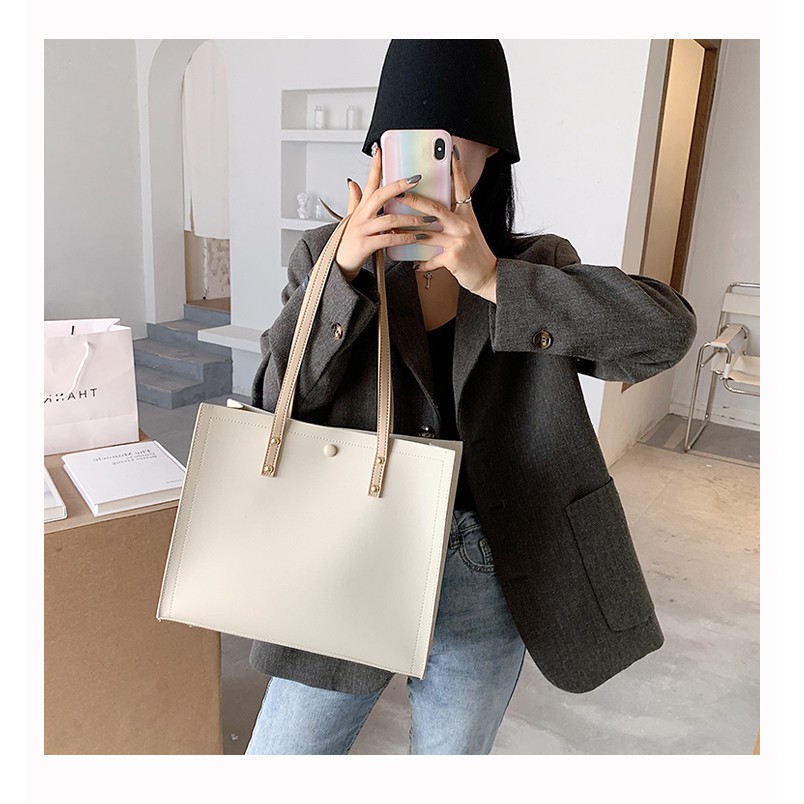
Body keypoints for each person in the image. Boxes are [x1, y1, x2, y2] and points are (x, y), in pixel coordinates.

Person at [245, 40, 697, 755]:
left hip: (486, 563)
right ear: (378, 149)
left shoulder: (536, 266)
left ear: (493, 152)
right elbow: (274, 401)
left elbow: (666, 334)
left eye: (453, 143)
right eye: (411, 140)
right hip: (349, 551)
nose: (433, 158)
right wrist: (347, 275)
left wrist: (493, 280)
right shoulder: (324, 258)